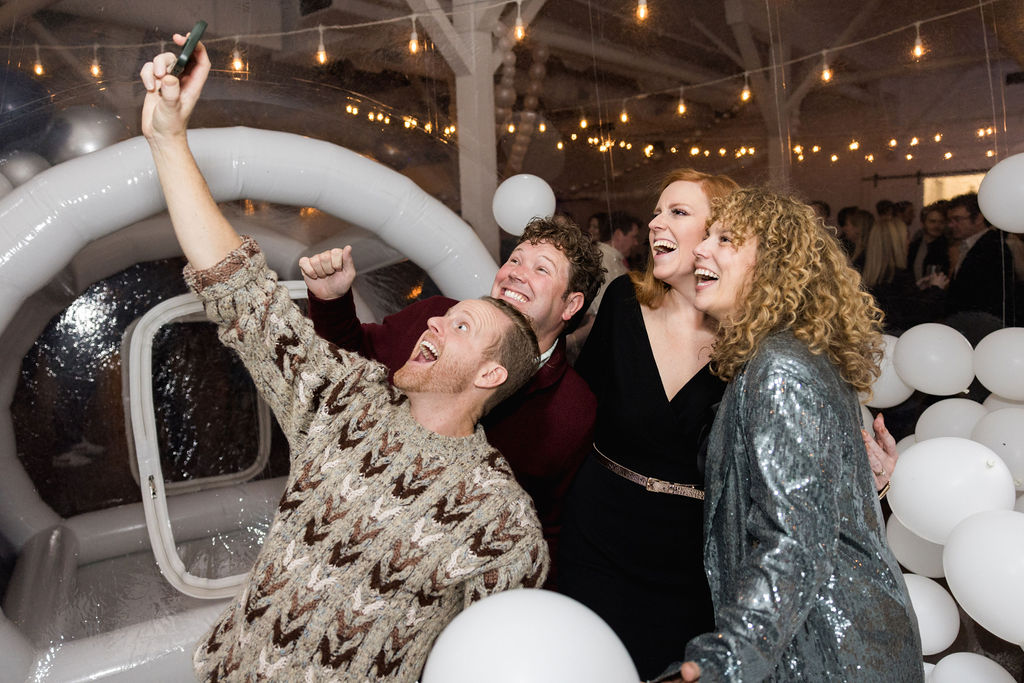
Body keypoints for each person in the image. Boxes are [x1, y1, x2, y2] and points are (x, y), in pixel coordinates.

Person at [139, 36, 549, 681]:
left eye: (461, 324)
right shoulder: (347, 398)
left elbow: (498, 662)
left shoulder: (499, 523)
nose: (435, 320)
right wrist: (167, 137)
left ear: (490, 374)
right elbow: (236, 284)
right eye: (443, 313)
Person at [670, 188, 922, 682]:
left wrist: (721, 664)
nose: (701, 249)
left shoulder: (779, 367)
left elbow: (791, 543)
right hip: (841, 636)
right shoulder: (790, 355)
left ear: (772, 265)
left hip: (828, 648)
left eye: (725, 239)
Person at [306, 216, 605, 589]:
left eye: (541, 268)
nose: (515, 273)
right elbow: (351, 358)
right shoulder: (437, 321)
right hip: (352, 538)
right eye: (514, 259)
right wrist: (330, 300)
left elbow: (552, 524)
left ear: (571, 304)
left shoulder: (574, 410)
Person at [558, 168, 738, 680]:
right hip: (598, 531)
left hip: (690, 557)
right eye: (657, 211)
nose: (657, 222)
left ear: (721, 234)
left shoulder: (750, 340)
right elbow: (580, 406)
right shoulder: (621, 301)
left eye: (678, 212)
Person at [944, 192, 1016, 324]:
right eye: (950, 220)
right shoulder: (969, 244)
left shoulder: (993, 247)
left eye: (957, 219)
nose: (951, 225)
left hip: (982, 323)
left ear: (978, 218)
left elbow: (984, 294)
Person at [862, 216, 943, 332]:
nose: (909, 242)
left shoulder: (872, 275)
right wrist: (936, 288)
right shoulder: (899, 276)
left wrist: (917, 288)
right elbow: (917, 315)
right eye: (906, 237)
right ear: (897, 243)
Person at [908, 202, 950, 283]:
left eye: (941, 222)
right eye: (932, 221)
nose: (937, 226)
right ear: (923, 223)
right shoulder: (914, 246)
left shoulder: (947, 247)